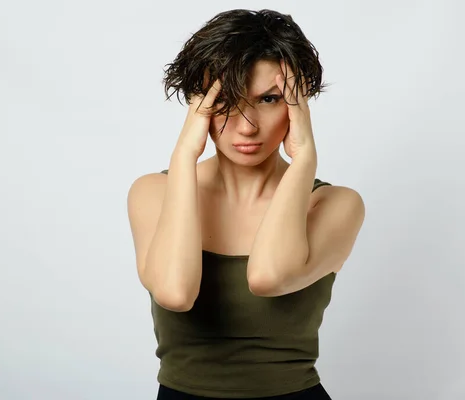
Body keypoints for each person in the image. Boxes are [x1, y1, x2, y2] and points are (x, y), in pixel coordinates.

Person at [127, 8, 365, 400]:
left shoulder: (335, 204)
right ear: (197, 105)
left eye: (269, 98)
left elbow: (269, 277)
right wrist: (185, 154)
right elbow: (175, 292)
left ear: (298, 103)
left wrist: (304, 158)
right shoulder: (153, 192)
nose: (247, 125)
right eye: (226, 101)